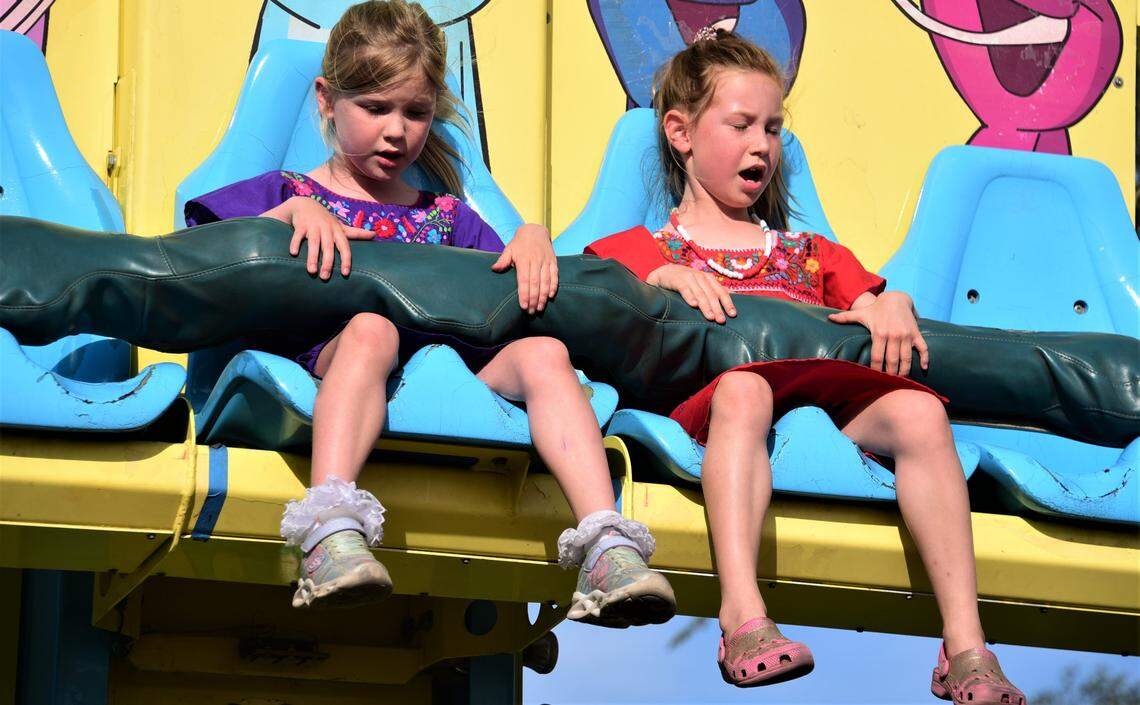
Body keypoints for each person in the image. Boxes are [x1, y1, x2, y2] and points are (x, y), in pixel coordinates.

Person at [186, 0, 675, 629]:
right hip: (339, 358)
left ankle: (606, 544)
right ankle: (330, 528)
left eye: (416, 113)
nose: (397, 130)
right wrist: (284, 220)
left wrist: (530, 239)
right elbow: (199, 248)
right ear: (326, 101)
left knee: (546, 354)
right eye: (375, 108)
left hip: (454, 371)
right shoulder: (291, 192)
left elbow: (502, 294)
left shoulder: (445, 215)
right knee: (373, 328)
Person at [585, 27, 1025, 704]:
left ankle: (966, 645)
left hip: (822, 401)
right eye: (740, 125)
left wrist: (891, 304)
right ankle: (741, 617)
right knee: (744, 390)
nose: (761, 143)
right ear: (680, 132)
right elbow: (600, 283)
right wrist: (664, 276)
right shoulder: (649, 248)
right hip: (722, 403)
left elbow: (875, 297)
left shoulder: (810, 253)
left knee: (920, 410)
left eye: (772, 127)